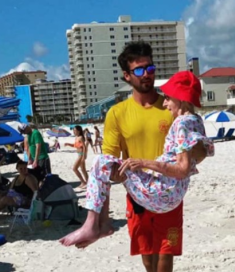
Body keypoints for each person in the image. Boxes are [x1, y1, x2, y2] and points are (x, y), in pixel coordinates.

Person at [98, 41, 184, 272]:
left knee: (163, 266)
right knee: (149, 264)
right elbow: (110, 159)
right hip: (137, 200)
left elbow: (193, 145)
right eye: (140, 70)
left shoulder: (171, 107)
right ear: (127, 75)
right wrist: (114, 174)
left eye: (151, 68)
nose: (148, 74)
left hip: (170, 200)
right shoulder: (117, 113)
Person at [60, 71, 213, 250]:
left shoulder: (181, 123)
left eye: (168, 98)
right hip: (172, 194)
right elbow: (201, 155)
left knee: (100, 162)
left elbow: (183, 169)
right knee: (108, 167)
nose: (164, 103)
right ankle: (102, 225)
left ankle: (93, 225)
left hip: (160, 192)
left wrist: (144, 163)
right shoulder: (196, 121)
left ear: (181, 99)